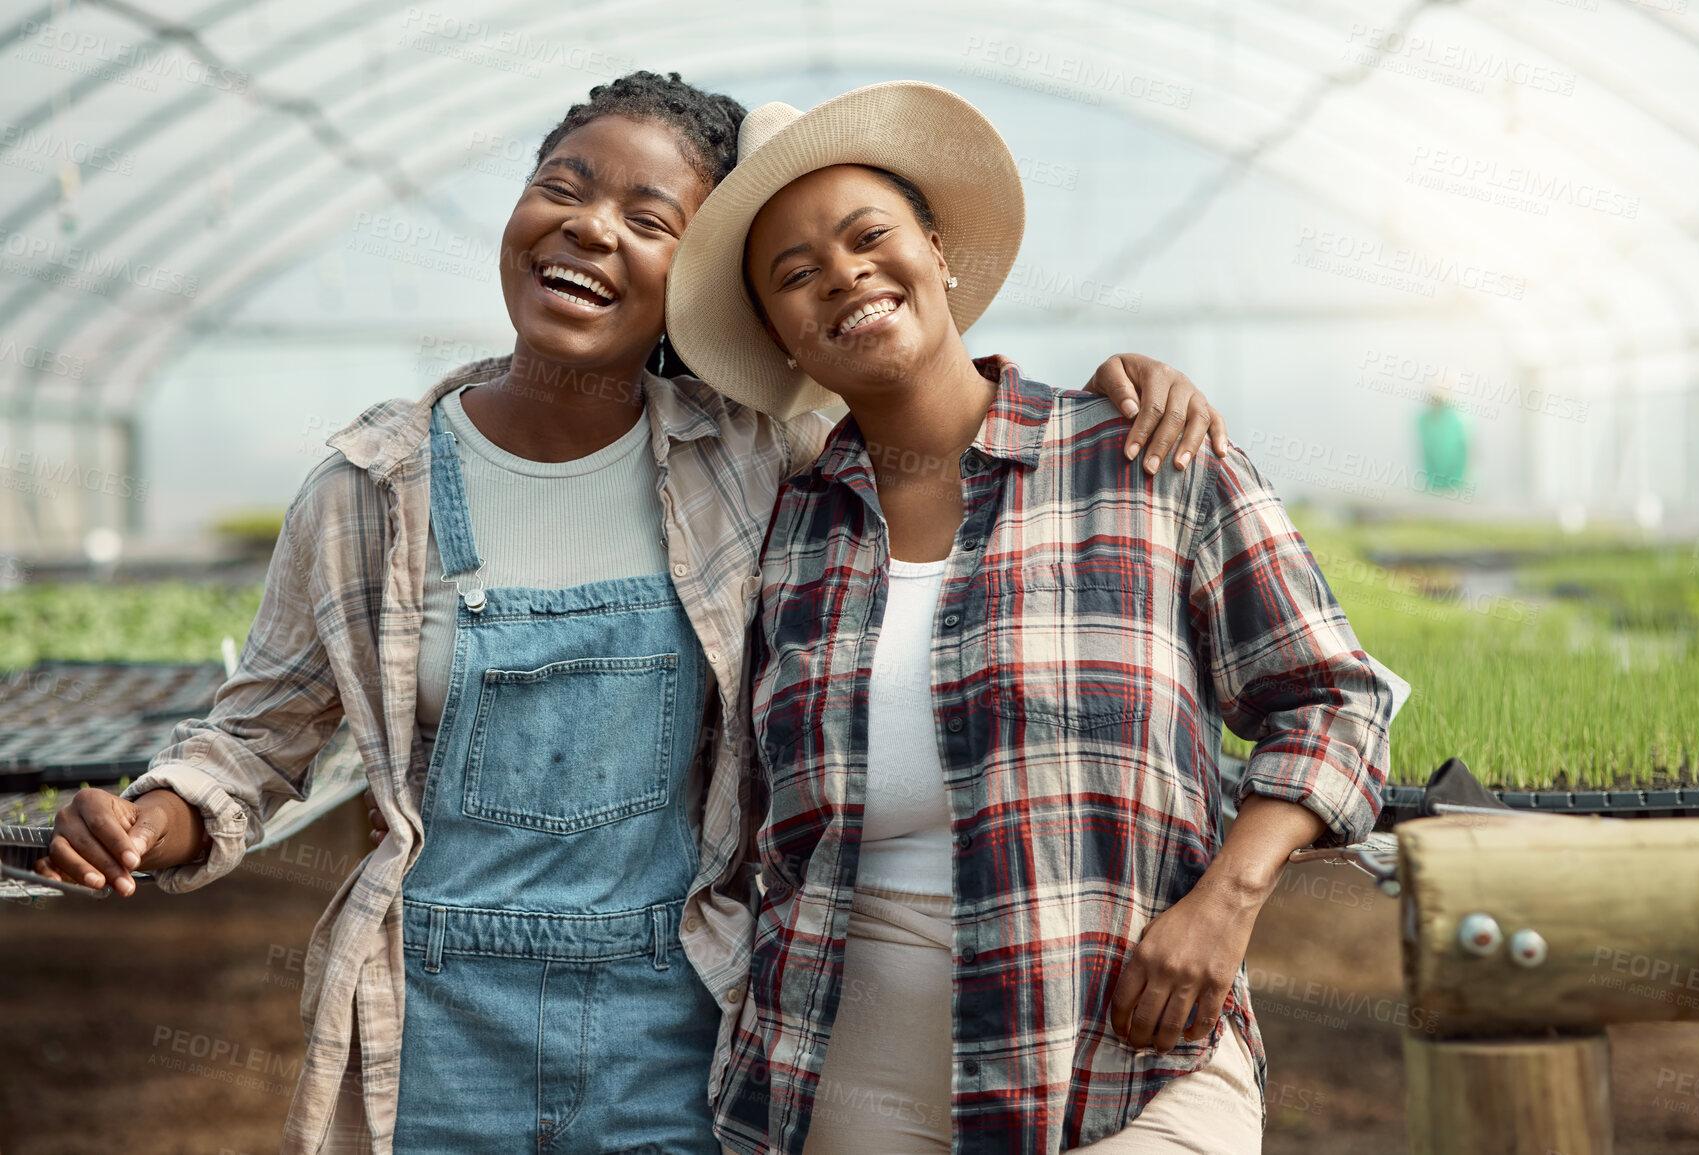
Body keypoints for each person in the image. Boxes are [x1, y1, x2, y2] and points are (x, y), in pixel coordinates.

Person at [34, 73, 1234, 1154]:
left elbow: (919, 390)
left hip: (679, 1025)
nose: (591, 227)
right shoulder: (370, 492)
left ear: (693, 290)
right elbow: (253, 744)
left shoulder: (756, 464)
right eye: (562, 187)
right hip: (434, 1031)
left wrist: (1117, 391)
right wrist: (149, 819)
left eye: (649, 222)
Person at [663, 82, 1408, 1154]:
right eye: (795, 274)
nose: (844, 275)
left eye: (870, 235)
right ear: (780, 335)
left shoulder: (1144, 457)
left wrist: (1223, 907)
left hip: (1126, 1049)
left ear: (937, 247)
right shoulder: (784, 530)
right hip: (838, 1062)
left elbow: (1335, 701)